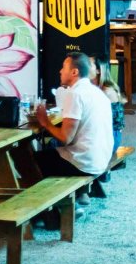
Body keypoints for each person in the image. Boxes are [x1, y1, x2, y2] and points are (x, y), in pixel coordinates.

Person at [32, 53, 114, 181]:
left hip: (84, 163)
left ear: (74, 72)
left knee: (29, 161)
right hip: (101, 159)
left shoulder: (75, 94)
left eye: (64, 67)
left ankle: (37, 197)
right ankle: (81, 192)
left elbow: (65, 138)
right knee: (48, 154)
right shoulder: (98, 92)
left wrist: (45, 122)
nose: (60, 71)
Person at [91, 54, 125, 161]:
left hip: (110, 137)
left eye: (89, 64)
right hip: (102, 135)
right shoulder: (93, 88)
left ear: (98, 70)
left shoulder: (107, 91)